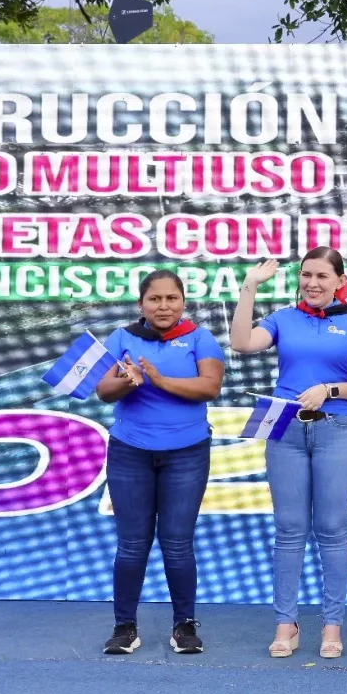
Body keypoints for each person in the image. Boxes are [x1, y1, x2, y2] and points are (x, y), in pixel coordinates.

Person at [230, 248, 347, 659]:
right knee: (289, 529)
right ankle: (286, 623)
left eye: (321, 276)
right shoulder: (283, 318)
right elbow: (242, 342)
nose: (312, 283)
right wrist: (250, 287)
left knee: (333, 530)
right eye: (306, 275)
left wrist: (330, 390)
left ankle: (332, 625)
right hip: (285, 428)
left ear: (339, 280)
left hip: (337, 429)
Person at [95, 269, 224, 655]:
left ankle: (184, 626)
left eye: (171, 298)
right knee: (132, 546)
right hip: (129, 451)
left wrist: (157, 378)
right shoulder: (121, 337)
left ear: (182, 302)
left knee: (178, 544)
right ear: (141, 304)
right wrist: (128, 381)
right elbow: (103, 391)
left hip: (186, 453)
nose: (163, 306)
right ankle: (124, 628)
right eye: (155, 299)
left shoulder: (201, 338)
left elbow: (210, 387)